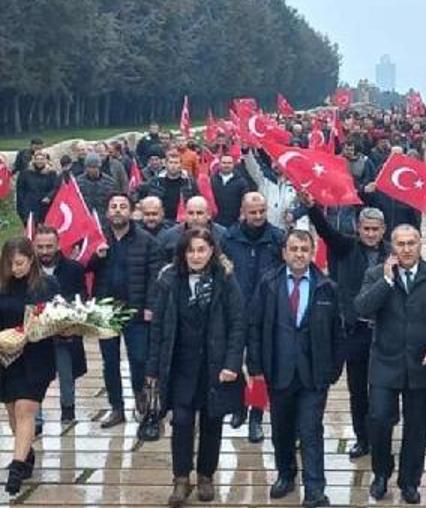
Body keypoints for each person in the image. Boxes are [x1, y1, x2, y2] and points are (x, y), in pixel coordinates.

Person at [146, 228, 246, 507]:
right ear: (183, 253)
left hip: (214, 365)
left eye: (201, 250)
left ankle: (205, 475)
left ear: (212, 251)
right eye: (191, 250)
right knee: (181, 422)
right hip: (179, 365)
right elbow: (158, 328)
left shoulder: (225, 280)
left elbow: (238, 323)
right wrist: (153, 368)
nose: (196, 255)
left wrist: (232, 363)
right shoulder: (169, 280)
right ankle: (180, 478)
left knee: (212, 422)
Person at [354, 225, 426, 504]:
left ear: (420, 245)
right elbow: (361, 307)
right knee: (380, 419)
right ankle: (381, 473)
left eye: (411, 243)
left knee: (417, 426)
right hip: (386, 362)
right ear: (392, 247)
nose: (406, 249)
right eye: (401, 244)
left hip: (423, 364)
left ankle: (410, 480)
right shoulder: (377, 274)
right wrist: (386, 282)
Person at [246, 229, 343, 506]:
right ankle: (286, 474)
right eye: (294, 248)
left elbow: (338, 332)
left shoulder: (327, 287)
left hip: (314, 374)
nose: (299, 254)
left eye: (304, 249)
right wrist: (255, 365)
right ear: (284, 252)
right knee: (282, 429)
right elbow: (254, 325)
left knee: (311, 430)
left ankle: (314, 489)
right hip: (278, 370)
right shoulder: (268, 284)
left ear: (312, 252)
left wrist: (333, 369)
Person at [303, 192, 390, 459]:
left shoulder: (393, 252)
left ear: (383, 230)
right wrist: (312, 207)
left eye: (376, 229)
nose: (371, 234)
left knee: (383, 389)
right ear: (357, 228)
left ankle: (381, 434)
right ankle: (362, 438)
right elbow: (326, 231)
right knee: (357, 389)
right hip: (355, 330)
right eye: (367, 229)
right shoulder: (346, 247)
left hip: (386, 331)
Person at [88, 193, 164, 428]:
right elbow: (83, 266)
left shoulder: (147, 241)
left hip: (136, 310)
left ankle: (141, 398)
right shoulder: (98, 239)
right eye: (113, 206)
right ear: (107, 212)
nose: (118, 210)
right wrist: (95, 256)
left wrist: (150, 306)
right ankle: (116, 407)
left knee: (139, 358)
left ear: (132, 211)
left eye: (123, 206)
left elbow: (155, 277)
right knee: (109, 362)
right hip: (106, 311)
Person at [221, 192, 284, 443]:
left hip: (266, 310)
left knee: (259, 365)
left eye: (261, 212)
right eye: (252, 212)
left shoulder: (277, 237)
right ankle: (239, 406)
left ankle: (256, 414)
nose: (257, 217)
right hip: (235, 308)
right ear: (243, 212)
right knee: (234, 359)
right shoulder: (229, 237)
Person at [0, 237, 59, 494]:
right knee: (14, 414)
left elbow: (58, 318)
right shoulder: (2, 286)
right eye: (11, 264)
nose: (16, 269)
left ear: (31, 259)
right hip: (6, 358)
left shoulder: (46, 285)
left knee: (26, 409)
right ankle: (26, 453)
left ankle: (16, 469)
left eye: (20, 263)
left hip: (37, 358)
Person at [33, 226, 87, 425]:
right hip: (37, 333)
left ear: (58, 245)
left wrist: (64, 310)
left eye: (49, 246)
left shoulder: (74, 268)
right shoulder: (27, 269)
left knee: (67, 372)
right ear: (34, 246)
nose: (45, 251)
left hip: (65, 331)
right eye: (41, 247)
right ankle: (36, 417)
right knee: (36, 375)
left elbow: (82, 296)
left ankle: (68, 409)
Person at [135, 149, 198, 221]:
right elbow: (137, 190)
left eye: (176, 163)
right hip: (161, 221)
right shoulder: (156, 181)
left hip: (182, 220)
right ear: (166, 164)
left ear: (180, 164)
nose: (173, 165)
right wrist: (138, 205)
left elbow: (197, 198)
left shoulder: (189, 182)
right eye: (171, 162)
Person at [157, 196, 228, 260]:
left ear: (209, 214)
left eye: (199, 213)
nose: (195, 217)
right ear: (185, 214)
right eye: (191, 213)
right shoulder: (170, 236)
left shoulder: (223, 235)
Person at [15, 151, 58, 224]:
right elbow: (20, 191)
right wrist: (22, 208)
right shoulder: (25, 174)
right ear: (33, 160)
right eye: (37, 159)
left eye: (42, 159)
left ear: (46, 160)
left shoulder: (52, 173)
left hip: (45, 206)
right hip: (30, 206)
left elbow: (56, 187)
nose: (39, 161)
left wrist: (49, 197)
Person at [211, 154, 251, 228]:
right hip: (216, 222)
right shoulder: (212, 180)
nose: (226, 165)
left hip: (235, 223)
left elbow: (246, 201)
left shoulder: (241, 182)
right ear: (219, 164)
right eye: (224, 163)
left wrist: (243, 215)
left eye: (229, 163)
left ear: (233, 164)